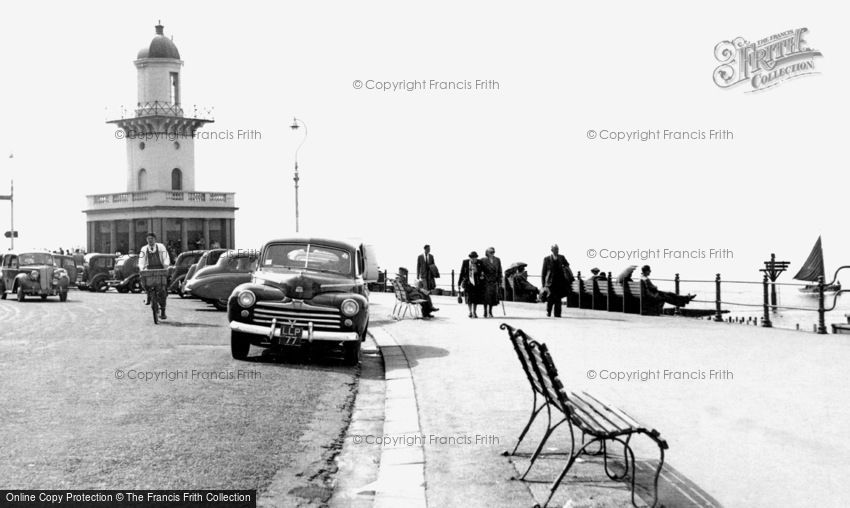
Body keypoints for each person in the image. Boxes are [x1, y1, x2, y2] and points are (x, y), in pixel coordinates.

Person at [139, 232, 171, 320]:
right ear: (146, 240)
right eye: (148, 239)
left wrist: (166, 265)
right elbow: (141, 260)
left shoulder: (161, 247)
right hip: (149, 270)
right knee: (144, 282)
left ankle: (163, 311)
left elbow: (166, 257)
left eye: (152, 239)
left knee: (163, 291)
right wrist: (141, 268)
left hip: (160, 270)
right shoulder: (144, 249)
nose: (150, 241)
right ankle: (148, 295)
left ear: (155, 239)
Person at [541, 244, 573, 317]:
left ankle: (557, 313)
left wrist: (564, 267)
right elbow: (543, 272)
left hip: (560, 281)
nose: (557, 251)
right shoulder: (547, 259)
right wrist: (543, 284)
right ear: (552, 250)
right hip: (550, 282)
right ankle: (548, 311)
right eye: (555, 249)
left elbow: (567, 265)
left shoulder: (562, 257)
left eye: (557, 249)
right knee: (550, 297)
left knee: (558, 298)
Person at [458, 251, 483, 318]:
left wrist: (477, 271)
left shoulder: (479, 263)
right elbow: (462, 272)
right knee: (469, 298)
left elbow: (482, 273)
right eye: (472, 258)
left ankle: (474, 312)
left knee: (475, 298)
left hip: (476, 283)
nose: (474, 259)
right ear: (470, 258)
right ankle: (470, 312)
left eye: (475, 258)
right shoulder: (465, 262)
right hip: (468, 283)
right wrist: (459, 282)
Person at [480, 247, 502, 318]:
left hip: (494, 280)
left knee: (492, 297)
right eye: (491, 252)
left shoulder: (497, 260)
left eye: (493, 252)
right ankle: (485, 312)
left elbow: (499, 270)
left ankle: (490, 312)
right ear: (487, 253)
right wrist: (481, 275)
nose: (492, 253)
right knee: (485, 297)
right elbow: (480, 269)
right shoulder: (483, 260)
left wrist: (499, 279)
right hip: (485, 280)